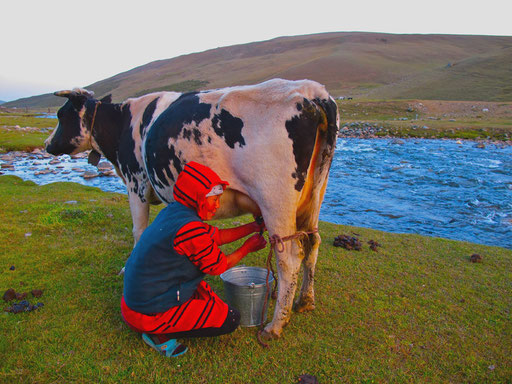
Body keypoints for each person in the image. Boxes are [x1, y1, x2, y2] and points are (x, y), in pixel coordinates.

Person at [121, 161, 267, 357]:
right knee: (230, 318)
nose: (217, 206)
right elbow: (219, 266)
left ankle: (167, 316)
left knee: (206, 295)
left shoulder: (176, 212)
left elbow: (218, 236)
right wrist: (248, 248)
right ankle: (157, 334)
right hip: (146, 313)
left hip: (134, 300)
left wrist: (254, 227)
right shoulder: (191, 229)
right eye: (213, 199)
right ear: (197, 198)